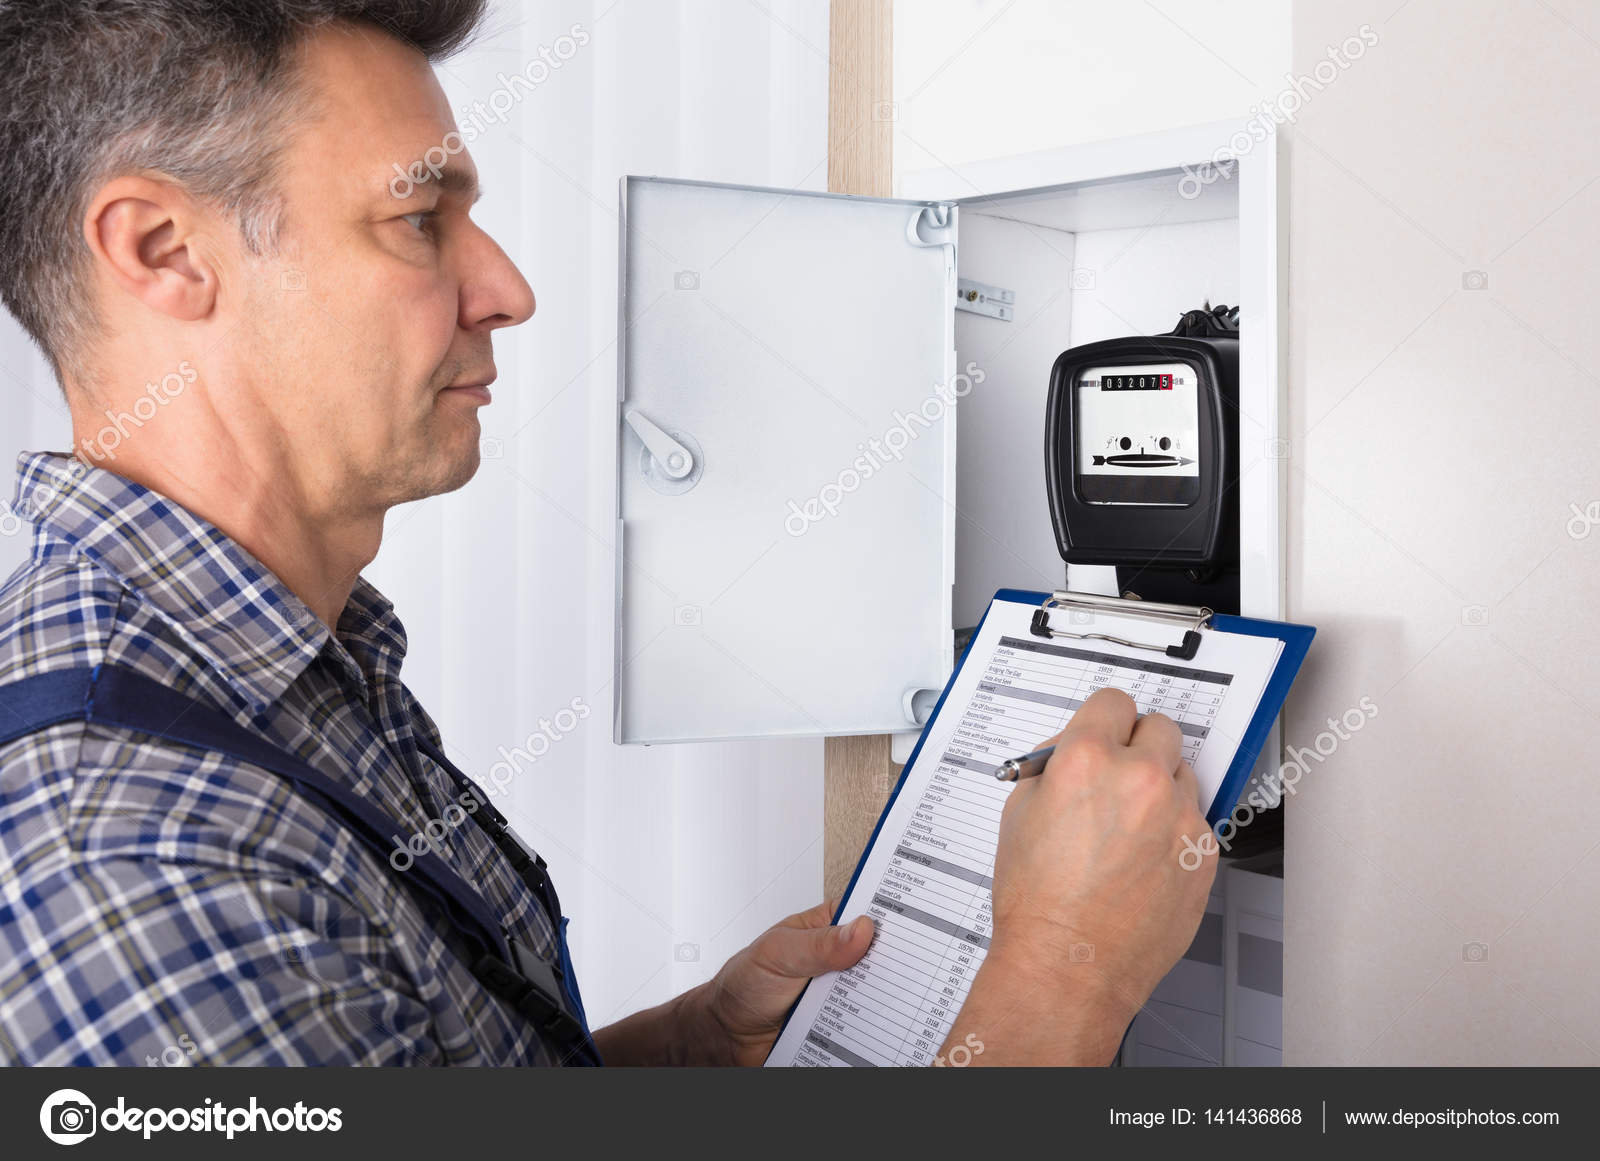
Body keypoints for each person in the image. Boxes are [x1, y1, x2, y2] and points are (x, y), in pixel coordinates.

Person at [0, 0, 1217, 1066]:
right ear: (164, 252)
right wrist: (1063, 971)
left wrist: (685, 1050)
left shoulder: (289, 664)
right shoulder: (130, 860)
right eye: (417, 219)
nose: (508, 291)